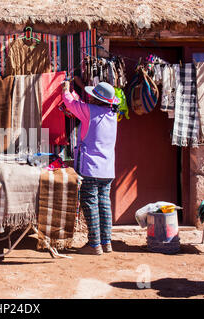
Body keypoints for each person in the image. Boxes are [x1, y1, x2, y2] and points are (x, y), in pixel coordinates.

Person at [61, 77, 120, 255]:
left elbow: (71, 103)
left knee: (90, 203)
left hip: (90, 168)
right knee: (104, 203)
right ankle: (106, 242)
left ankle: (94, 244)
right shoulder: (112, 114)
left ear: (96, 99)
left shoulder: (89, 111)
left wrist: (65, 89)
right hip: (107, 169)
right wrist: (77, 87)